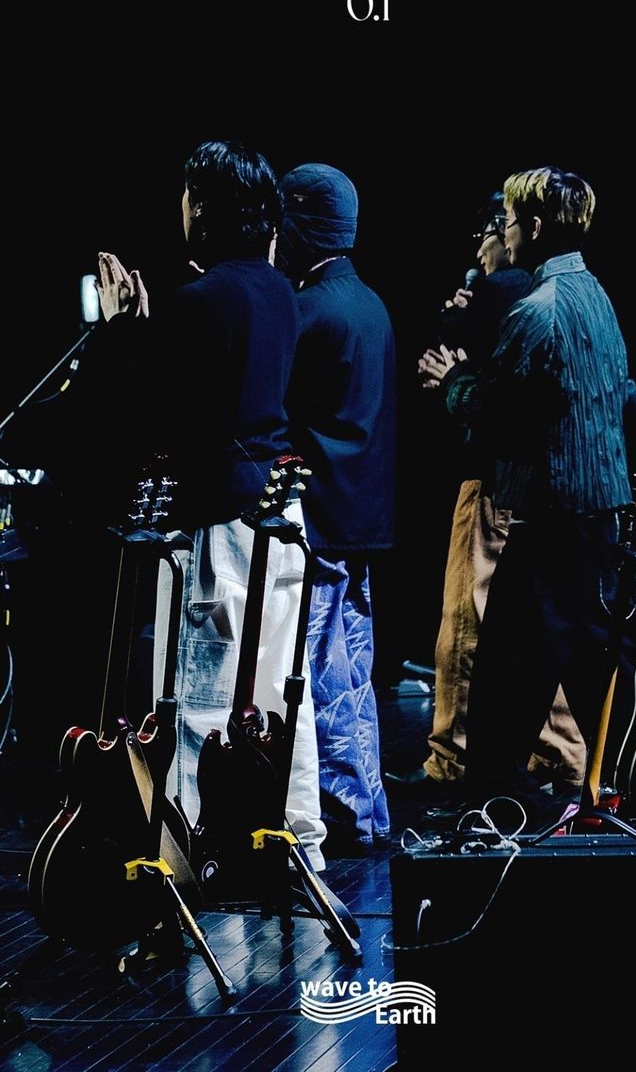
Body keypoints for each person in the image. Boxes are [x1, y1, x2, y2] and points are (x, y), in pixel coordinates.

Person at [92, 141, 327, 869]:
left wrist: (123, 331)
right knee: (284, 692)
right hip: (279, 515)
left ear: (202, 207)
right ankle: (300, 839)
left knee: (199, 693)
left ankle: (189, 847)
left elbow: (155, 419)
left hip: (219, 524)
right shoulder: (279, 290)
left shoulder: (200, 300)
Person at [422, 166, 634, 829]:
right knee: (568, 668)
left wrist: (453, 379)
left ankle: (495, 803)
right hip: (595, 510)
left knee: (505, 677)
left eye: (510, 222)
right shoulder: (595, 292)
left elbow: (500, 411)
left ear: (534, 228)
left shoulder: (537, 311)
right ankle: (565, 793)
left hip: (553, 514)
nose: (505, 233)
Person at [405, 196, 585, 797]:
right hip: (535, 487)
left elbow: (469, 374)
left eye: (489, 232)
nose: (480, 248)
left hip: (491, 481)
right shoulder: (560, 293)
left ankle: (451, 757)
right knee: (518, 635)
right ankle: (559, 753)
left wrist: (450, 367)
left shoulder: (506, 287)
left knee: (465, 622)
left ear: (506, 232)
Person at [276, 162, 395, 855]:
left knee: (324, 677)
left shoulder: (309, 309)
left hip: (318, 516)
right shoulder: (369, 302)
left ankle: (348, 814)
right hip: (363, 517)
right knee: (353, 671)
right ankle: (368, 808)